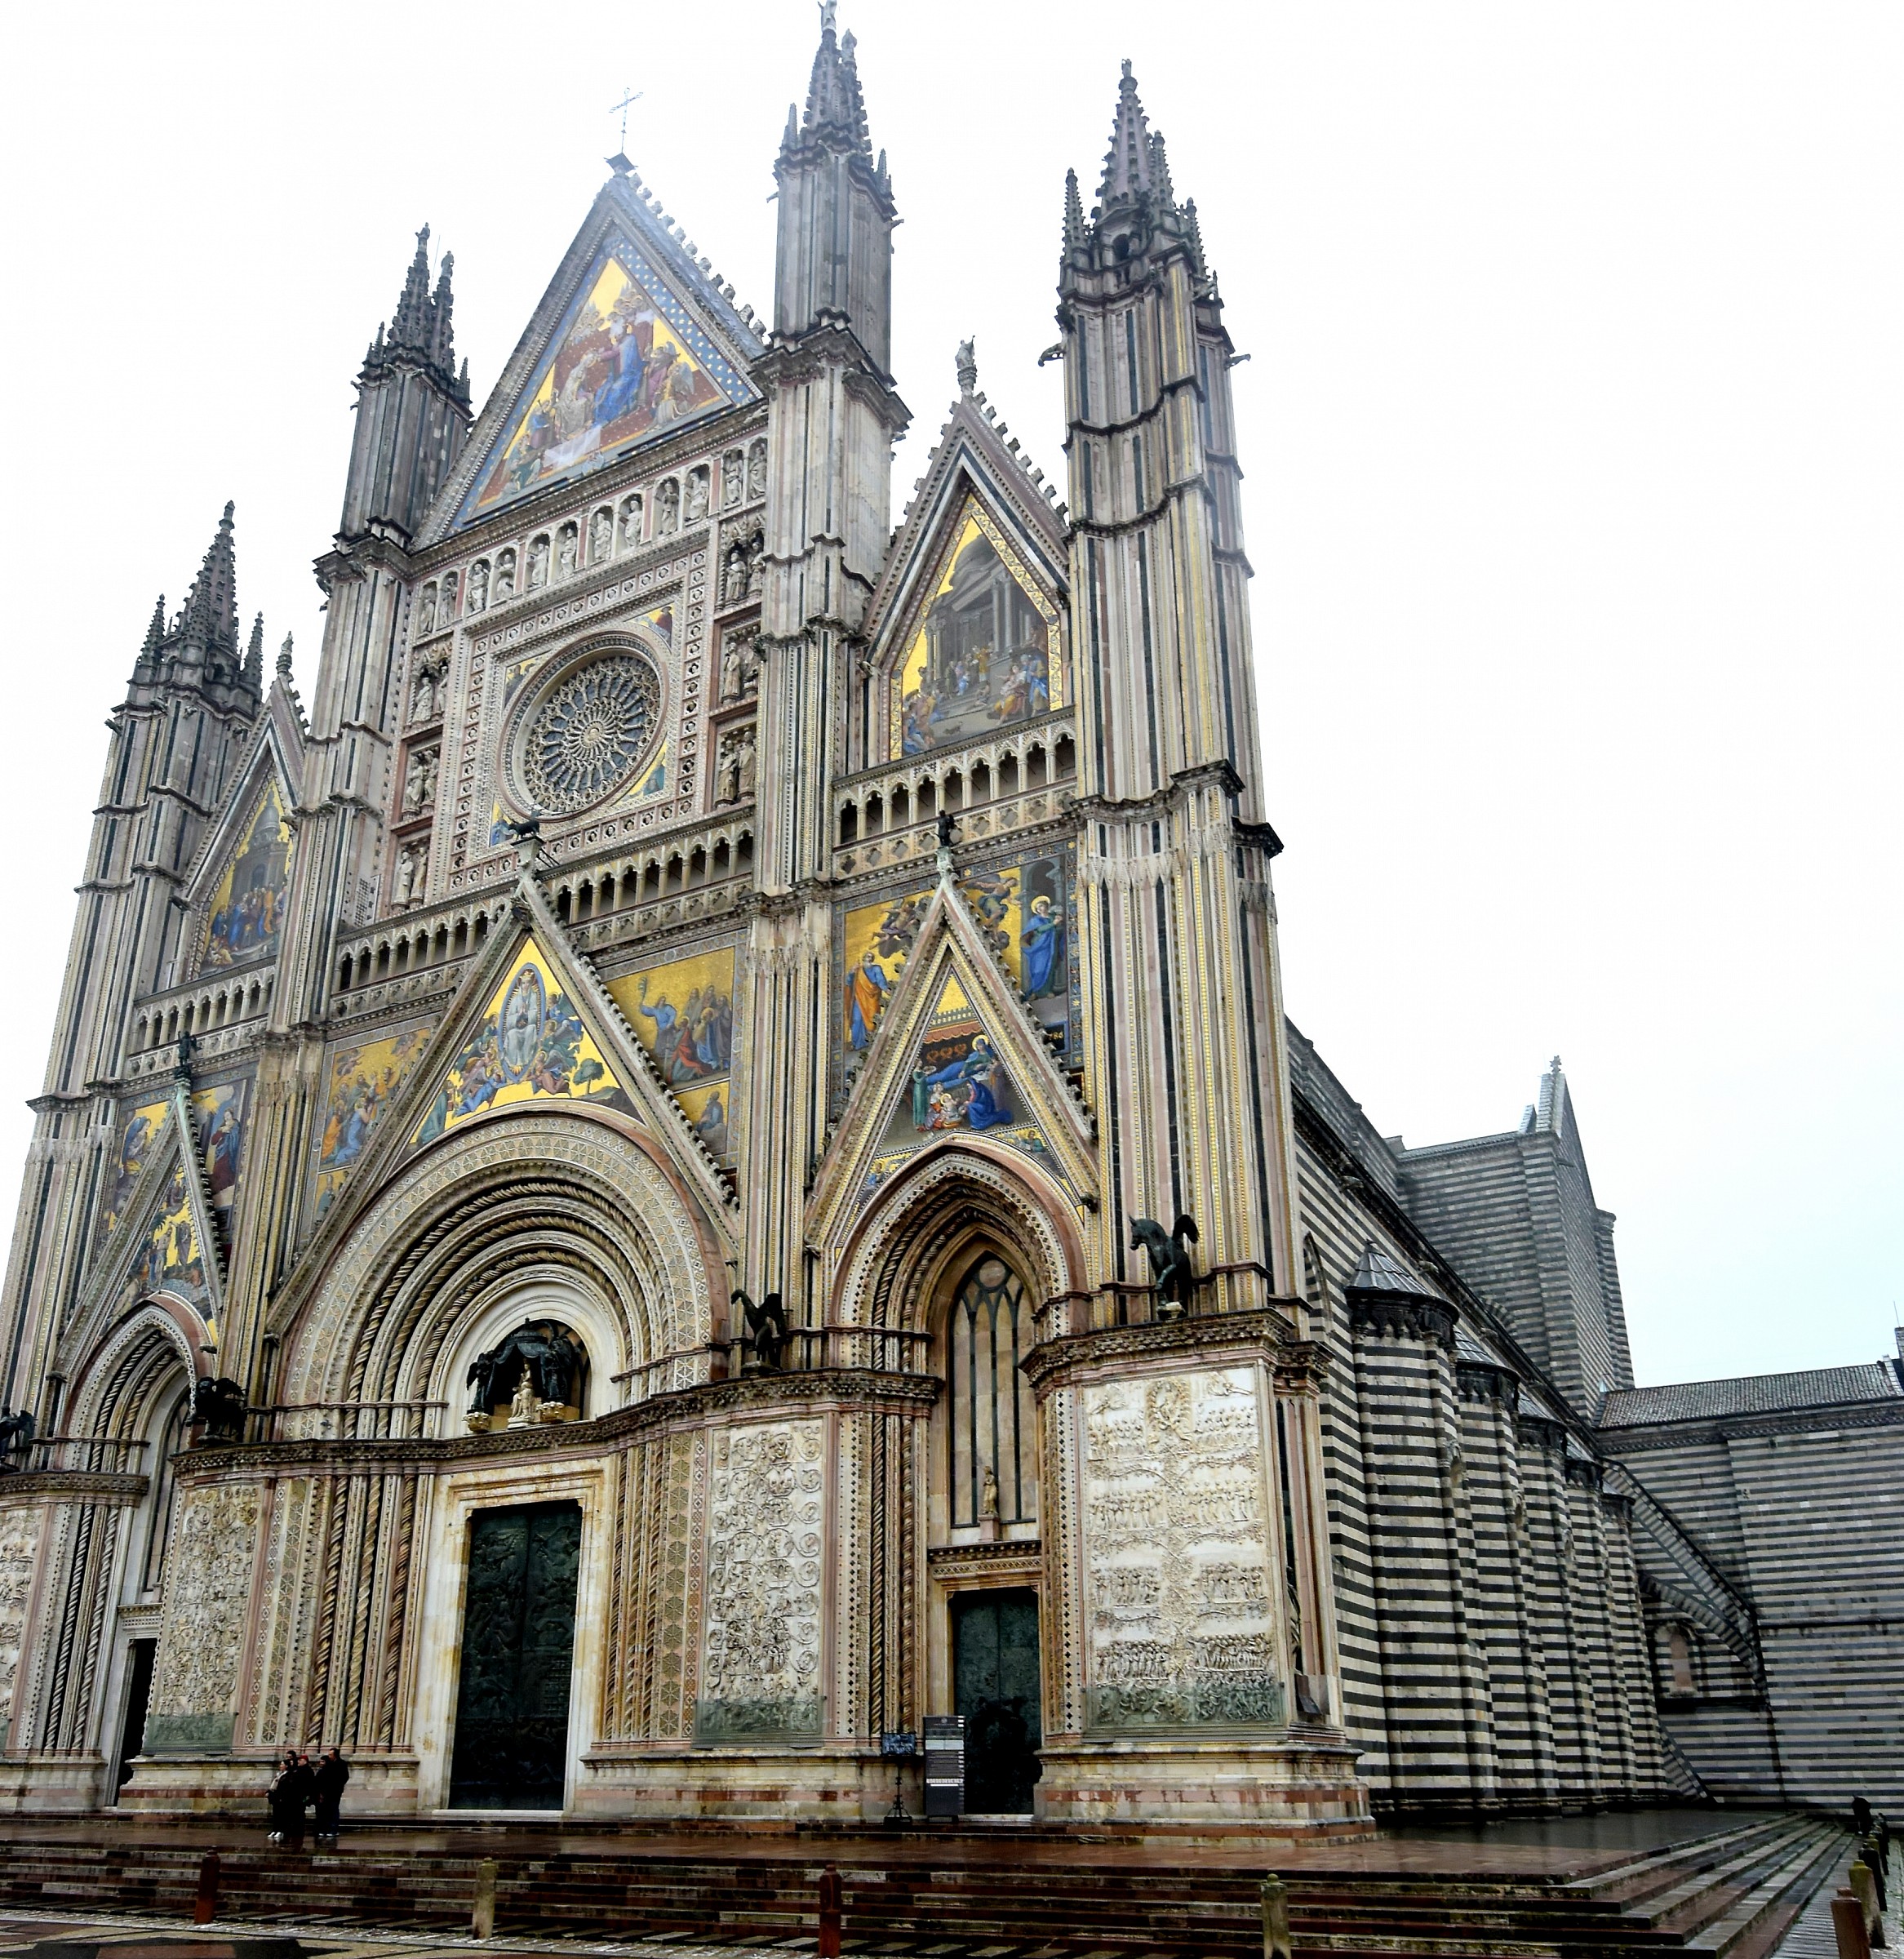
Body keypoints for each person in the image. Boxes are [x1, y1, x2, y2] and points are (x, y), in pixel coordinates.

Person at [311, 1748, 350, 1847]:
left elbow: (344, 1777)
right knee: (327, 1810)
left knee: (334, 1809)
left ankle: (333, 1829)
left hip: (335, 1791)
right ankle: (326, 1828)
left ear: (335, 1755)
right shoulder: (329, 1765)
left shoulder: (341, 1764)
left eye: (330, 1755)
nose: (329, 1756)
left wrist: (338, 1786)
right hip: (327, 1792)